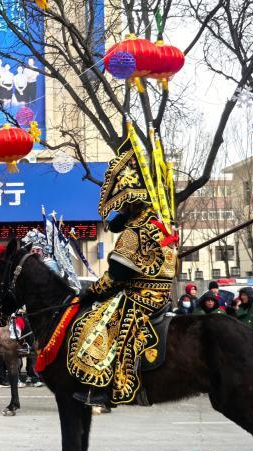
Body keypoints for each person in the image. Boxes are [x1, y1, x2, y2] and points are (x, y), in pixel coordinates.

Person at [67, 131, 178, 407]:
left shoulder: (135, 232)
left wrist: (91, 292)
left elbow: (116, 276)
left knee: (102, 325)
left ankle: (110, 388)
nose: (120, 210)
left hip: (140, 295)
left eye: (124, 205)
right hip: (159, 293)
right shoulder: (158, 224)